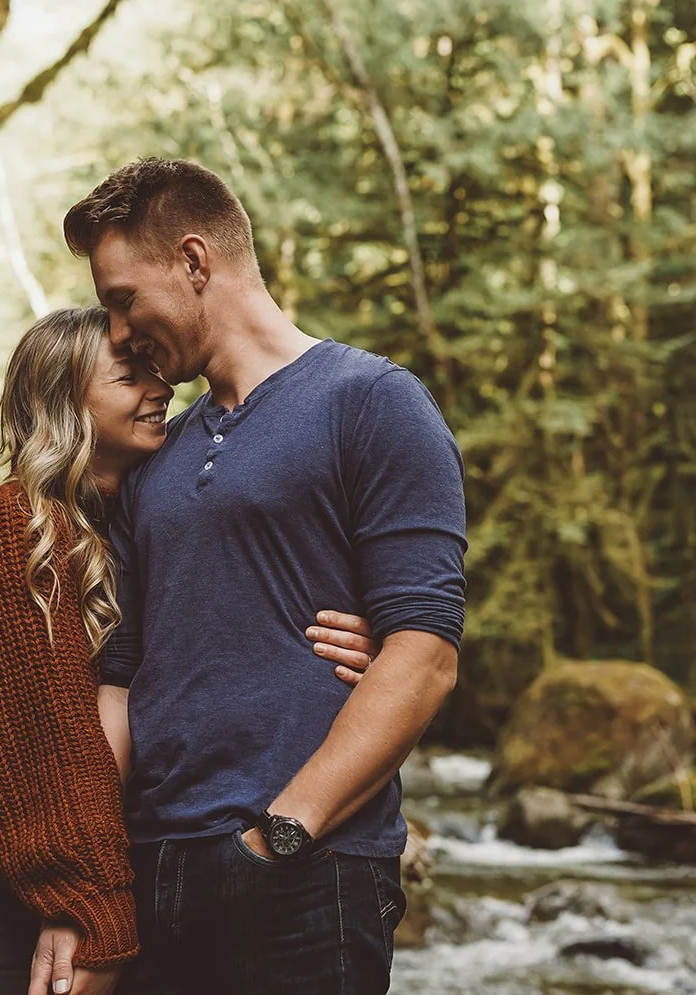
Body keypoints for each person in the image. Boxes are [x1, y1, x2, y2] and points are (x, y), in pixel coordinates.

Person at [53, 158, 467, 995]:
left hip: (304, 876)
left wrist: (283, 832)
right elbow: (121, 681)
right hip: (151, 872)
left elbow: (423, 655)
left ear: (195, 261)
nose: (120, 331)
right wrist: (91, 878)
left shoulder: (373, 401)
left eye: (124, 297)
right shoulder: (153, 458)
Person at [0, 307, 379, 995]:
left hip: (99, 896)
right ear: (67, 405)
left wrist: (352, 639)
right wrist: (88, 904)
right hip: (3, 916)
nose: (160, 388)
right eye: (129, 377)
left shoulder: (134, 527)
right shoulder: (17, 527)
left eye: (154, 371)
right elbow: (33, 749)